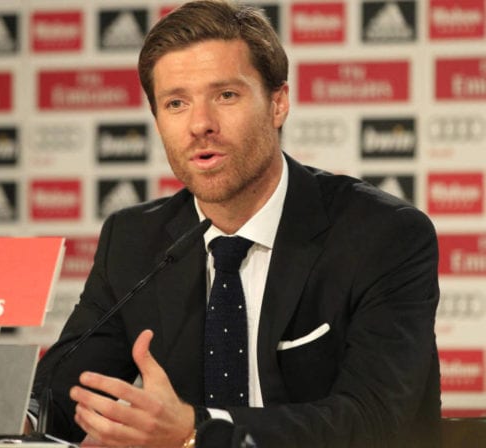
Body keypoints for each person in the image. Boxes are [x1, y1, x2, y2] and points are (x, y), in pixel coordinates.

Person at [30, 1, 441, 447]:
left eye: (226, 95)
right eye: (176, 103)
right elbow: (64, 395)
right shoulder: (133, 241)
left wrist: (196, 431)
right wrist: (16, 421)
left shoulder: (383, 235)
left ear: (278, 103)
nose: (200, 125)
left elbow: (377, 420)